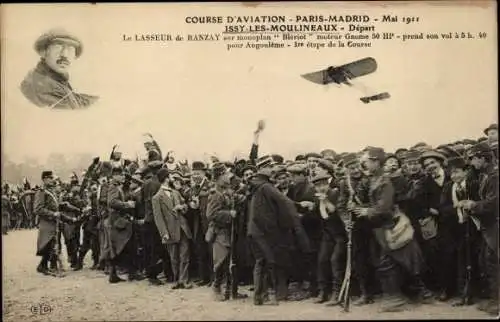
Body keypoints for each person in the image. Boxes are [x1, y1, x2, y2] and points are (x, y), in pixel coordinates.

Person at [247, 167, 296, 305]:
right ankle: (262, 296)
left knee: (260, 262)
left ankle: (260, 297)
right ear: (269, 176)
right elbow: (284, 201)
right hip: (262, 232)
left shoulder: (256, 188)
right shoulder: (266, 187)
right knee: (268, 262)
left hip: (254, 231)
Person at [460, 142, 499, 316]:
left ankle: (497, 303)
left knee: (493, 262)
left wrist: (473, 205)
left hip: (495, 225)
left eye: (473, 159)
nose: (471, 163)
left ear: (483, 158)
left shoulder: (494, 176)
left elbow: (494, 203)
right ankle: (494, 299)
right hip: (490, 225)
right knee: (488, 261)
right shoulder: (486, 175)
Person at [20, 28, 98, 109]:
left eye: (70, 49)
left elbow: (74, 98)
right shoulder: (44, 87)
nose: (64, 54)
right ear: (43, 52)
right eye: (58, 47)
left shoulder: (56, 80)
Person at [152, 168, 193, 290]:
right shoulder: (157, 198)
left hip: (183, 228)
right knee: (174, 258)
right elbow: (158, 218)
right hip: (170, 231)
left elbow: (185, 206)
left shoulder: (175, 192)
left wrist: (182, 207)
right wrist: (164, 233)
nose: (173, 178)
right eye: (170, 176)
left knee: (185, 256)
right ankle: (176, 280)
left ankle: (183, 280)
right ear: (165, 178)